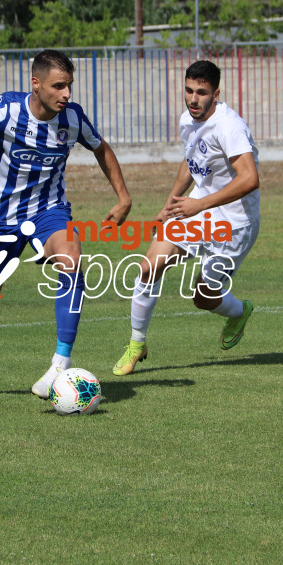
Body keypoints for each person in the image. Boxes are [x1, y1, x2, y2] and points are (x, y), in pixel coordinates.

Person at [0, 49, 132, 398]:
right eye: (58, 86)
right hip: (0, 220)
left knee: (70, 256)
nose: (66, 94)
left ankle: (60, 364)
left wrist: (123, 197)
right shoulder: (6, 112)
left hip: (48, 212)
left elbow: (101, 148)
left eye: (69, 85)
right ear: (36, 84)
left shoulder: (73, 118)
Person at [112, 60, 259, 376]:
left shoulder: (229, 127)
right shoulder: (187, 120)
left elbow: (249, 178)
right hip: (197, 210)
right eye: (189, 90)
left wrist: (199, 204)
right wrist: (169, 206)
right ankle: (137, 343)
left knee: (203, 297)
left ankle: (239, 311)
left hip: (234, 223)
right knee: (150, 266)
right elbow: (191, 162)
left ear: (216, 94)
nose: (193, 99)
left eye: (201, 93)